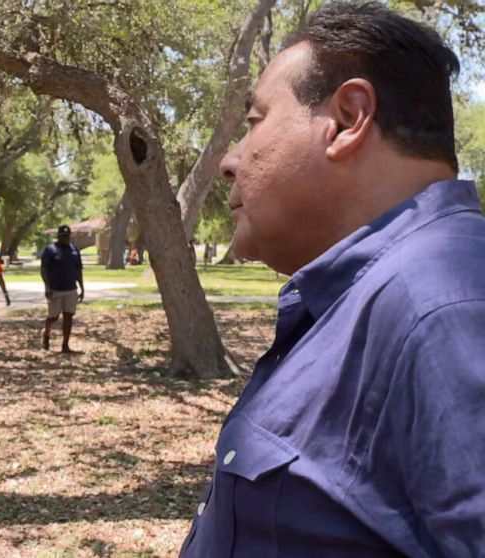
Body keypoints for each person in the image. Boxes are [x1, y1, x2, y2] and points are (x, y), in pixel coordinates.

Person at [181, 2, 485, 556]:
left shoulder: (445, 303)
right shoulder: (373, 294)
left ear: (348, 119)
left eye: (255, 121)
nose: (230, 159)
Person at [40, 225, 84, 353]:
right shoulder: (50, 250)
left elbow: (78, 270)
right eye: (62, 236)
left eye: (67, 236)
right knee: (53, 317)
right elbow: (44, 270)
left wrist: (82, 287)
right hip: (55, 290)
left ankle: (65, 345)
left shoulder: (74, 250)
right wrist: (47, 287)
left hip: (71, 289)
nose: (65, 238)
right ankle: (46, 332)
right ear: (58, 236)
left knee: (68, 317)